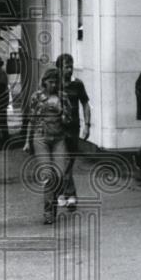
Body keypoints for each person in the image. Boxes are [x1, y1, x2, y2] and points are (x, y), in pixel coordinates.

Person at [23, 68, 71, 224]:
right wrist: (27, 141)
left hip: (58, 138)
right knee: (48, 175)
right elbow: (31, 119)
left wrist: (60, 110)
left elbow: (68, 120)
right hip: (41, 137)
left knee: (61, 175)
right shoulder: (37, 97)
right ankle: (48, 211)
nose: (53, 85)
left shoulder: (62, 97)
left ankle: (54, 202)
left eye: (56, 82)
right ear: (44, 82)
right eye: (50, 82)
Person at [55, 54, 90, 209]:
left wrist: (87, 124)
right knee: (64, 161)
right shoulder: (53, 85)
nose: (69, 70)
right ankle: (70, 194)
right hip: (58, 128)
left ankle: (63, 193)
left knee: (69, 160)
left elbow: (85, 104)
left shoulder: (77, 84)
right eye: (66, 67)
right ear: (59, 68)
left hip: (73, 128)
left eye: (71, 66)